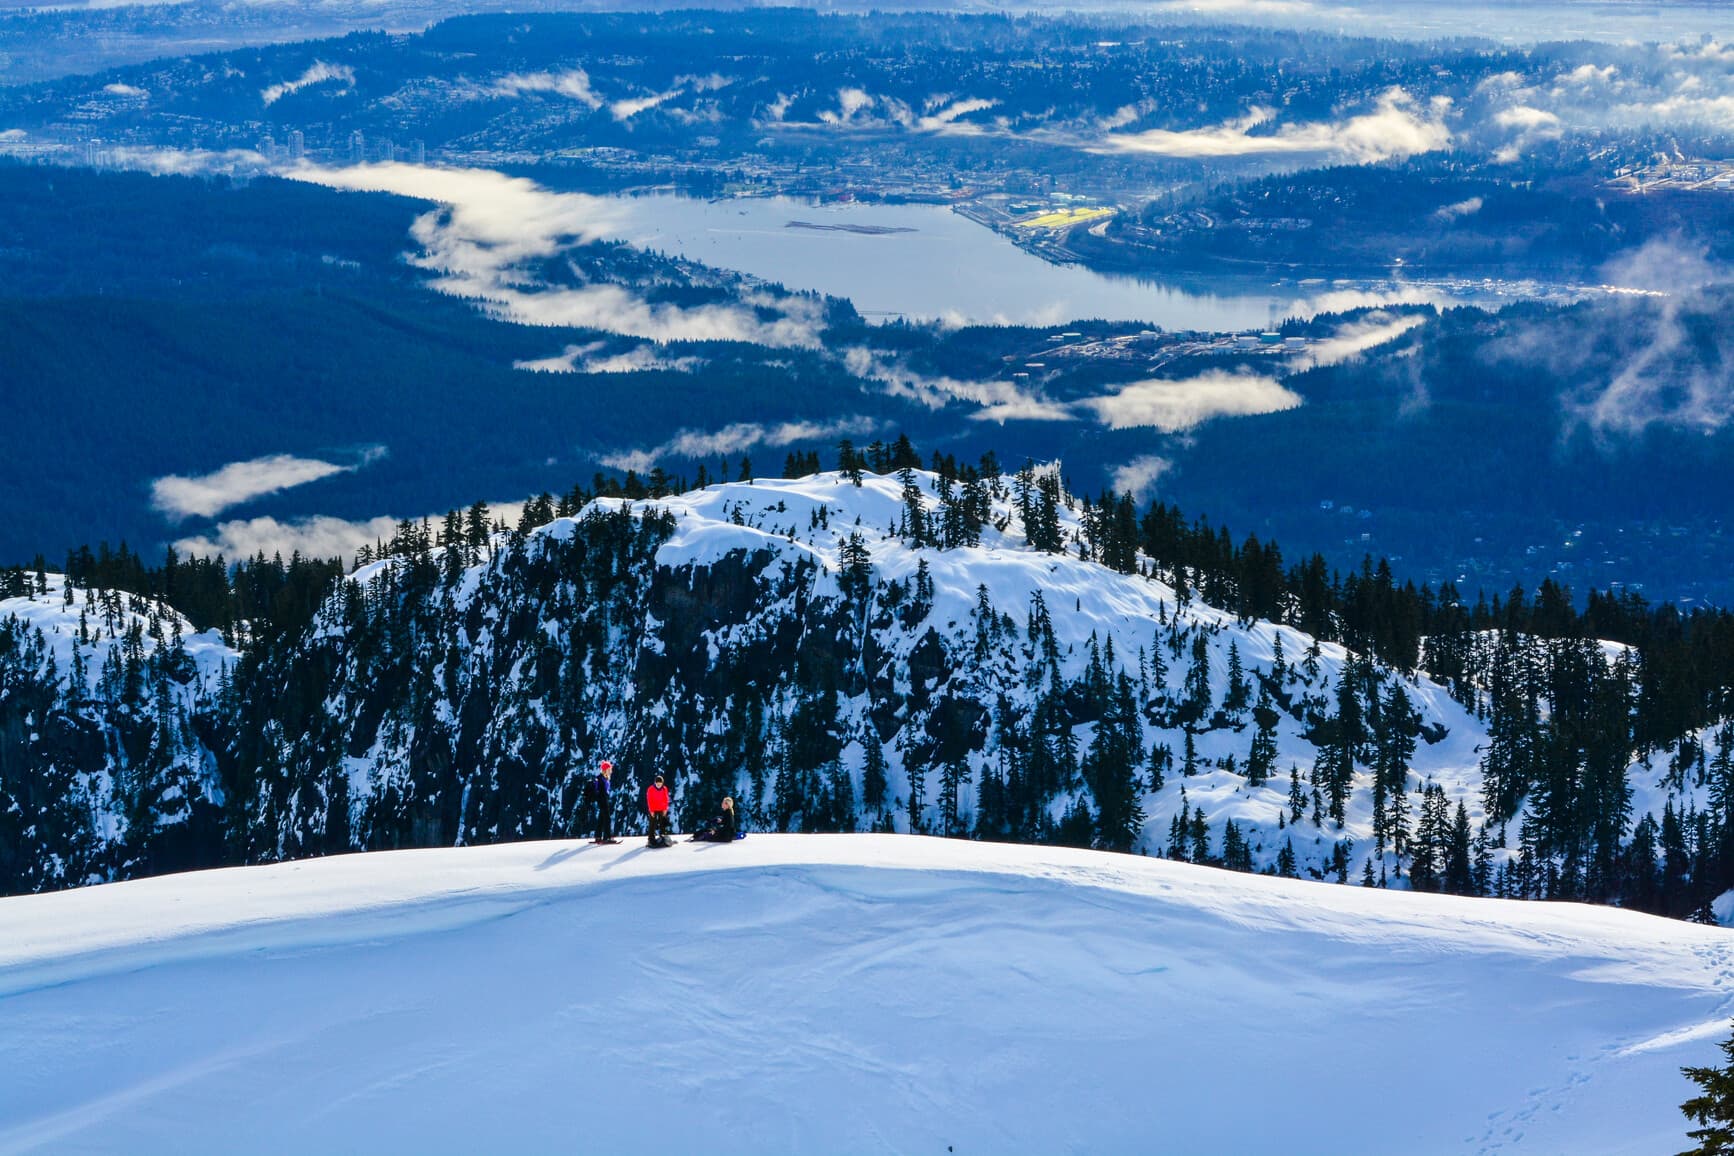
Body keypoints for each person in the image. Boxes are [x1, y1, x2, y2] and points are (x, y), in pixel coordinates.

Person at [589, 759, 617, 844]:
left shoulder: (601, 778)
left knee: (601, 818)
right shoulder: (601, 779)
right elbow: (602, 791)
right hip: (603, 800)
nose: (611, 771)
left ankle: (598, 836)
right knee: (607, 818)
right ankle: (607, 837)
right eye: (609, 769)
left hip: (602, 800)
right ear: (605, 770)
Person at [645, 774, 671, 847]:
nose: (659, 784)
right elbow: (649, 800)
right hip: (653, 808)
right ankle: (651, 839)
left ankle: (663, 837)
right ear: (655, 783)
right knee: (652, 824)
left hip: (662, 809)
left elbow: (666, 799)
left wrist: (665, 809)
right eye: (657, 783)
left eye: (660, 783)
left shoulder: (664, 789)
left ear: (662, 783)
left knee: (662, 823)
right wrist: (651, 810)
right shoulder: (651, 789)